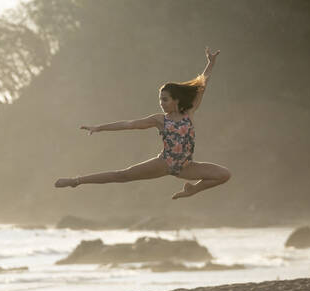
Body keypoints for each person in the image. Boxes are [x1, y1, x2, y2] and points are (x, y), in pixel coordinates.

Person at [55, 47, 230, 199]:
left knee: (224, 175)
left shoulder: (189, 113)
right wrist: (99, 128)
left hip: (186, 167)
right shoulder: (160, 120)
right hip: (165, 163)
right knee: (122, 175)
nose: (161, 103)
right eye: (160, 100)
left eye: (165, 99)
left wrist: (211, 63)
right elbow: (129, 124)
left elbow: (202, 85)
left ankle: (192, 190)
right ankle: (76, 181)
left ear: (176, 100)